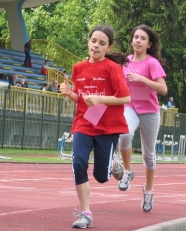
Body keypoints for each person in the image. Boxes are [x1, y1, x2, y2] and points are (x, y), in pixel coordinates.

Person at [59, 24, 131, 229]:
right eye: (93, 41)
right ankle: (86, 214)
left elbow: (125, 97)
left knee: (101, 176)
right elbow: (80, 98)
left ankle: (114, 166)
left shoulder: (112, 68)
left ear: (108, 48)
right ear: (88, 42)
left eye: (102, 43)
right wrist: (68, 92)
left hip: (107, 126)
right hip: (84, 122)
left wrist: (100, 99)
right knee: (78, 163)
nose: (96, 46)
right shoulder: (78, 68)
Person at [118, 24, 168, 212]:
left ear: (149, 44)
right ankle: (128, 171)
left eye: (142, 38)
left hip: (149, 111)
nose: (138, 40)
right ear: (131, 41)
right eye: (135, 37)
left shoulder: (151, 63)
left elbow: (163, 89)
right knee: (124, 134)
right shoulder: (125, 62)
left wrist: (142, 80)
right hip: (130, 106)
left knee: (149, 154)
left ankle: (148, 190)